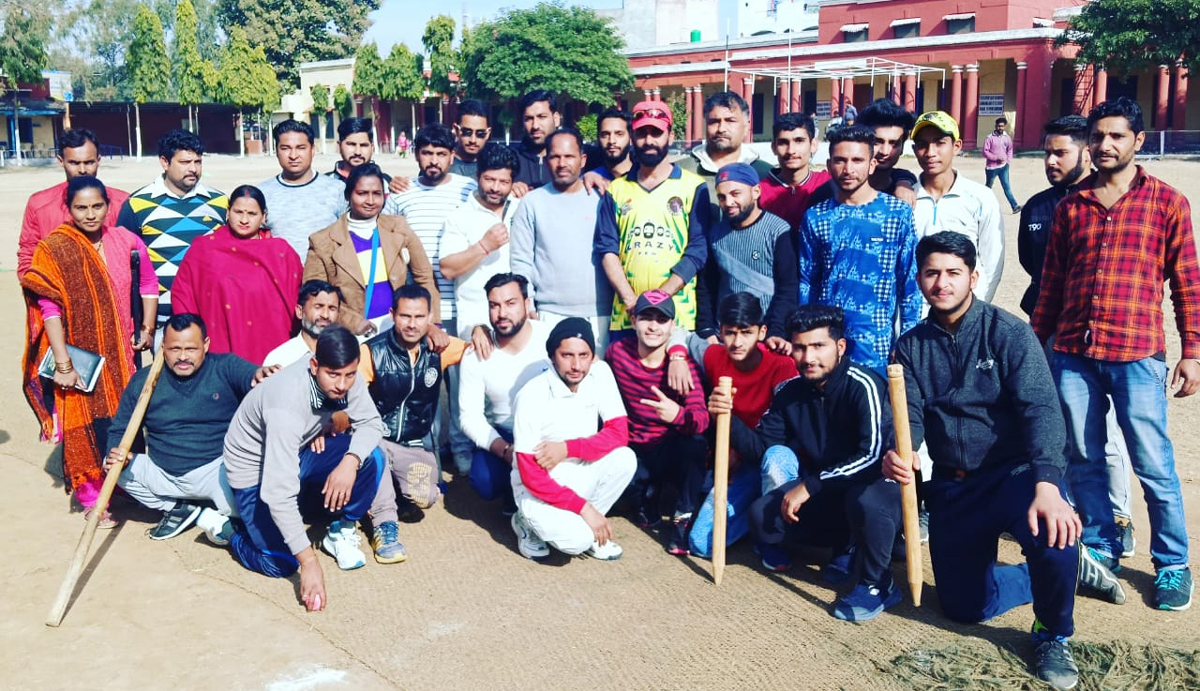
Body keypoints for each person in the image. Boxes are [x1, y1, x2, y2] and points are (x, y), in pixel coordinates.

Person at [888, 231, 1125, 691]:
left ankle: (1052, 632)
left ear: (973, 276)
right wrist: (900, 451)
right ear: (919, 279)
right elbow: (909, 416)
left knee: (1054, 535)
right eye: (932, 273)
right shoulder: (910, 346)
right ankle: (1066, 571)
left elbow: (1041, 409)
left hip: (1015, 474)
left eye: (953, 272)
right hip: (954, 485)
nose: (942, 283)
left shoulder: (1009, 332)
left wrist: (1049, 485)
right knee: (963, 608)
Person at [1032, 97, 1198, 612]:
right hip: (1074, 351)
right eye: (1098, 136)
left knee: (1153, 463)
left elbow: (1187, 283)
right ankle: (1101, 545)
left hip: (1137, 353)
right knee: (1082, 457)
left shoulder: (1167, 202)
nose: (1105, 145)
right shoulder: (1072, 206)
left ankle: (1172, 563)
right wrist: (1040, 342)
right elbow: (1052, 282)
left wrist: (1192, 351)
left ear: (1138, 141)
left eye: (1117, 136)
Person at [731, 304, 902, 622]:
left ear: (840, 346)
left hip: (874, 492)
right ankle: (845, 547)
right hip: (828, 495)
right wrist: (723, 417)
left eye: (818, 346)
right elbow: (761, 448)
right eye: (799, 347)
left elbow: (872, 454)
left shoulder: (864, 385)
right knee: (762, 517)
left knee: (864, 499)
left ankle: (878, 583)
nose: (808, 358)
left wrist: (810, 485)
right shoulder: (790, 392)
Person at [1019, 115, 1135, 557]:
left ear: (1086, 152)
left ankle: (1119, 516)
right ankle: (1074, 510)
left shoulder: (1103, 201)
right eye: (1047, 151)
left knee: (1105, 431)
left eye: (1060, 152)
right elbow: (1033, 267)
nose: (1050, 160)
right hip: (1050, 331)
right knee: (1060, 425)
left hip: (1101, 332)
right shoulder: (1036, 208)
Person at [21, 176, 158, 524]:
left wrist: (146, 327)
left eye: (97, 206)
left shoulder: (126, 241)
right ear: (68, 209)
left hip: (120, 352)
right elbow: (49, 309)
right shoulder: (54, 248)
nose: (90, 214)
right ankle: (92, 497)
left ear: (108, 207)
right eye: (81, 207)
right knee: (83, 423)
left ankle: (124, 485)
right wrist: (64, 363)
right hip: (77, 354)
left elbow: (148, 283)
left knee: (121, 419)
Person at [222, 326, 387, 611]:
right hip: (253, 471)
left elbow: (372, 424)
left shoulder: (346, 377)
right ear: (314, 366)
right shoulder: (285, 405)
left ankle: (339, 529)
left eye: (349, 374)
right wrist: (309, 563)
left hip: (296, 452)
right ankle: (227, 530)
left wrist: (349, 462)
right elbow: (278, 492)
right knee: (281, 563)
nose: (342, 384)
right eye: (332, 375)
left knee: (371, 457)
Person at [104, 314, 273, 543]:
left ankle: (218, 512)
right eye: (174, 349)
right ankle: (181, 508)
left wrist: (260, 375)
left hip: (216, 472)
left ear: (205, 345)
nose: (183, 357)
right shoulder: (143, 381)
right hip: (164, 474)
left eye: (191, 349)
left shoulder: (224, 367)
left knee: (252, 510)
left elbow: (252, 377)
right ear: (163, 347)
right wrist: (115, 452)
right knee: (114, 466)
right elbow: (119, 429)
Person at [796, 125, 921, 374]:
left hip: (877, 346)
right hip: (827, 346)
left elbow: (910, 285)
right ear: (830, 164)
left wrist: (907, 341)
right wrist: (806, 335)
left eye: (857, 160)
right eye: (840, 160)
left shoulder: (897, 214)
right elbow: (807, 282)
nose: (848, 169)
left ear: (872, 164)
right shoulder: (815, 217)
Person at [509, 317, 637, 560]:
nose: (577, 365)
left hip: (579, 470)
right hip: (538, 489)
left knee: (625, 458)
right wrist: (585, 508)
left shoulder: (600, 373)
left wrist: (567, 449)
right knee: (576, 542)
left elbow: (620, 433)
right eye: (567, 355)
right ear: (552, 356)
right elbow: (530, 474)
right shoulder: (531, 394)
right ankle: (525, 521)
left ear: (593, 355)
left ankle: (591, 528)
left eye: (584, 355)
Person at [358, 285, 468, 563]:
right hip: (376, 439)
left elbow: (474, 350)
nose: (412, 324)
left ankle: (388, 490)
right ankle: (384, 527)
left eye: (420, 317)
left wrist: (480, 330)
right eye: (405, 316)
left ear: (430, 316)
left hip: (412, 443)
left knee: (425, 497)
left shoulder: (439, 349)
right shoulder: (371, 352)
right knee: (376, 457)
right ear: (393, 314)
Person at [687, 293, 797, 558]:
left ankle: (771, 536)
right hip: (740, 459)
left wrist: (724, 419)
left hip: (777, 457)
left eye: (746, 332)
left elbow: (773, 443)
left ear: (762, 332)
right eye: (729, 333)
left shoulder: (782, 366)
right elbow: (683, 336)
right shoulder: (714, 356)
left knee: (775, 459)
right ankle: (751, 519)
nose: (737, 342)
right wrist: (679, 358)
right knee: (701, 543)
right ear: (720, 332)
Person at [606, 289, 709, 553]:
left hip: (669, 448)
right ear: (633, 321)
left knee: (696, 444)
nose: (653, 326)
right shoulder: (617, 353)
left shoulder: (684, 368)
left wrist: (677, 415)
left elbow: (700, 419)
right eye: (646, 318)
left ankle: (682, 518)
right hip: (633, 448)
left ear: (672, 326)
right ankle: (646, 497)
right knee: (627, 487)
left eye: (662, 320)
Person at [595, 101, 710, 334]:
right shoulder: (616, 190)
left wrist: (660, 297)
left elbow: (698, 250)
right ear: (632, 136)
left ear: (670, 135)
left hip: (677, 316)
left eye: (656, 133)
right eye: (641, 133)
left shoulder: (693, 186)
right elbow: (607, 250)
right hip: (627, 316)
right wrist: (631, 300)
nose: (649, 141)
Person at [304, 163, 442, 338]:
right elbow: (314, 298)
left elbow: (425, 278)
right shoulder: (322, 241)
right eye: (362, 194)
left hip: (401, 331)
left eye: (376, 194)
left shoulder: (398, 227)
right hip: (352, 336)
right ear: (348, 195)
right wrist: (353, 322)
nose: (370, 201)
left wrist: (432, 324)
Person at [172, 185, 303, 364]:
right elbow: (183, 294)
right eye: (238, 212)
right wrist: (190, 342)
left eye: (252, 214)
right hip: (218, 350)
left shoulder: (280, 253)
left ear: (264, 216)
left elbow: (300, 300)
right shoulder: (205, 249)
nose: (244, 219)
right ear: (227, 213)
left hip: (272, 350)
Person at [510, 128, 614, 350]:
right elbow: (521, 259)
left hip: (601, 313)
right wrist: (526, 299)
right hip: (548, 313)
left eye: (569, 157)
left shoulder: (603, 196)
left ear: (583, 160)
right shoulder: (532, 202)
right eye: (555, 156)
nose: (561, 163)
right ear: (547, 160)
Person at [117, 128, 227, 334]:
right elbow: (122, 263)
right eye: (185, 162)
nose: (193, 169)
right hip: (161, 322)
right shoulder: (137, 204)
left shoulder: (220, 202)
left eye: (198, 162)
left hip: (211, 316)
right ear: (164, 162)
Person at [458, 273, 550, 511]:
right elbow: (470, 417)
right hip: (505, 435)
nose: (502, 313)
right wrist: (504, 450)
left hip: (546, 433)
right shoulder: (476, 353)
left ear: (526, 304)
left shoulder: (550, 339)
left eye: (511, 303)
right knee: (484, 481)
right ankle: (513, 490)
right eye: (494, 305)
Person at [383, 123, 477, 335]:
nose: (434, 161)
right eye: (427, 153)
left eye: (441, 154)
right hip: (416, 311)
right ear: (416, 155)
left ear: (452, 156)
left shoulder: (469, 190)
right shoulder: (401, 193)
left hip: (461, 306)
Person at [910, 110, 1004, 302]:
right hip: (915, 314)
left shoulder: (980, 197)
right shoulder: (906, 200)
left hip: (964, 311)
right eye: (922, 145)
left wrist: (976, 311)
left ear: (957, 146)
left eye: (939, 142)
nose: (930, 152)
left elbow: (992, 261)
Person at [695, 162, 795, 344]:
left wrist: (776, 331)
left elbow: (787, 288)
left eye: (735, 194)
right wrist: (706, 328)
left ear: (756, 192)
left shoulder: (777, 230)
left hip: (766, 337)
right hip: (725, 337)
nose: (728, 203)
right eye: (722, 197)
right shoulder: (715, 234)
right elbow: (707, 286)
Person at [19, 128, 129, 277]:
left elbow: (136, 253)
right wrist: (38, 295)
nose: (82, 170)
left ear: (98, 160)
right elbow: (28, 254)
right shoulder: (39, 204)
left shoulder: (122, 202)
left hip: (114, 293)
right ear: (61, 161)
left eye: (89, 162)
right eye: (74, 163)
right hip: (57, 295)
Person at [438, 142, 521, 339]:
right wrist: (484, 246)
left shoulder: (523, 208)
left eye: (503, 182)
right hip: (476, 318)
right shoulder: (460, 216)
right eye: (489, 179)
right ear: (477, 176)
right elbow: (448, 269)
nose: (495, 188)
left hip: (520, 315)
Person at [258, 119, 347, 258]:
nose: (293, 156)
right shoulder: (262, 193)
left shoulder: (337, 190)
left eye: (301, 148)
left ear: (312, 150)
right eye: (285, 148)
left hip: (325, 277)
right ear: (276, 151)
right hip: (280, 277)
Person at [678, 91, 773, 220]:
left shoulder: (765, 174)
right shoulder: (681, 172)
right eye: (714, 121)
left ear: (747, 126)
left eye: (730, 121)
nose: (721, 128)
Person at [756, 112, 833, 231]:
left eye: (799, 141)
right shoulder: (758, 192)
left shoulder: (829, 184)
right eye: (783, 142)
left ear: (813, 145)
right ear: (774, 147)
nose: (791, 150)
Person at [264, 280, 344, 368]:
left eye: (332, 308)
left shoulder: (346, 353)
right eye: (318, 307)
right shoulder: (280, 359)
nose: (325, 315)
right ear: (300, 311)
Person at [856, 98, 918, 204]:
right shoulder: (839, 188)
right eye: (877, 141)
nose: (885, 151)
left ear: (902, 147)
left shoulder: (912, 192)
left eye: (894, 143)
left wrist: (905, 181)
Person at [508, 90, 561, 193]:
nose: (535, 125)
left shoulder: (572, 158)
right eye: (528, 119)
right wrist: (507, 187)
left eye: (542, 117)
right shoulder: (510, 158)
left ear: (556, 118)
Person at [327, 117, 391, 189]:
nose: (357, 152)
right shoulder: (325, 184)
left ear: (372, 148)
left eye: (364, 145)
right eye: (351, 144)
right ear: (339, 146)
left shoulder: (387, 184)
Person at [983, 117, 1021, 213]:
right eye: (999, 126)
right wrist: (996, 158)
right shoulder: (989, 138)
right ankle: (982, 206)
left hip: (1003, 167)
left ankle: (1015, 206)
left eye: (1002, 126)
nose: (1000, 128)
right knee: (988, 188)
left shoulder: (1007, 138)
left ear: (1004, 127)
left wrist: (1008, 161)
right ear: (996, 126)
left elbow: (1010, 150)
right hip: (991, 168)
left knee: (1007, 187)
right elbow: (985, 152)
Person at [583, 108, 634, 180]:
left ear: (631, 138)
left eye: (619, 134)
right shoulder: (590, 182)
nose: (611, 141)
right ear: (598, 138)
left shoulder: (643, 177)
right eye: (605, 135)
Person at [450, 99, 491, 178]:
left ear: (488, 133)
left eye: (480, 134)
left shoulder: (496, 166)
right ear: (456, 130)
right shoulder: (441, 165)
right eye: (467, 133)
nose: (473, 140)